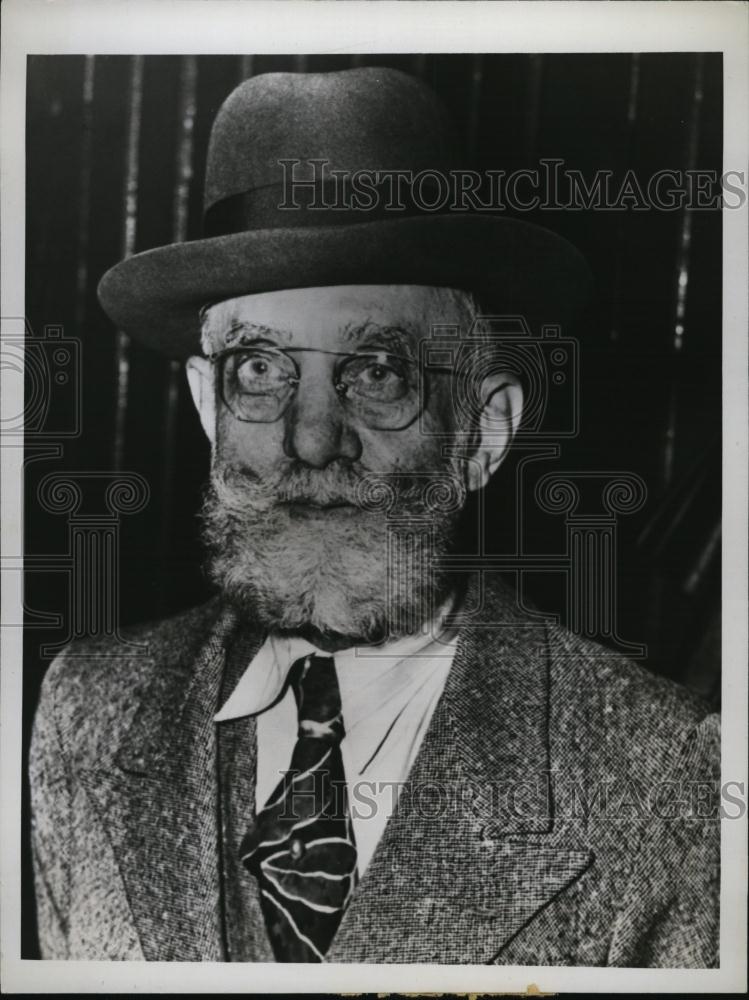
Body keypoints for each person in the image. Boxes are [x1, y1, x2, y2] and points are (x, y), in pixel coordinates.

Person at [29, 66, 720, 966]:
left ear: (481, 432)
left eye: (378, 372)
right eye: (260, 371)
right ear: (208, 408)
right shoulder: (86, 713)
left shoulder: (662, 771)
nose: (312, 440)